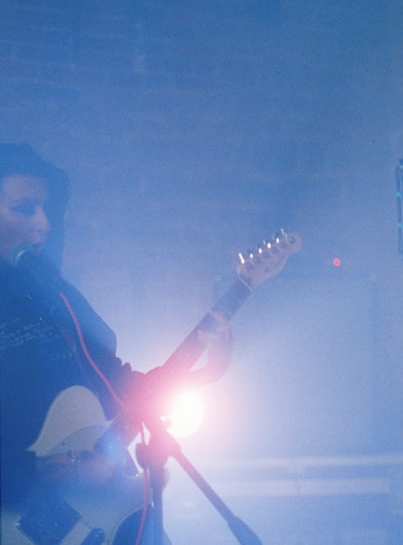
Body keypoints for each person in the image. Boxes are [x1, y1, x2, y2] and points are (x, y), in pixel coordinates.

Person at [0, 143, 232, 541]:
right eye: (25, 208)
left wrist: (208, 369)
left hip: (107, 513)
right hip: (28, 520)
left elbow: (119, 387)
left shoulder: (55, 295)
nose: (44, 223)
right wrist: (66, 467)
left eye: (46, 208)